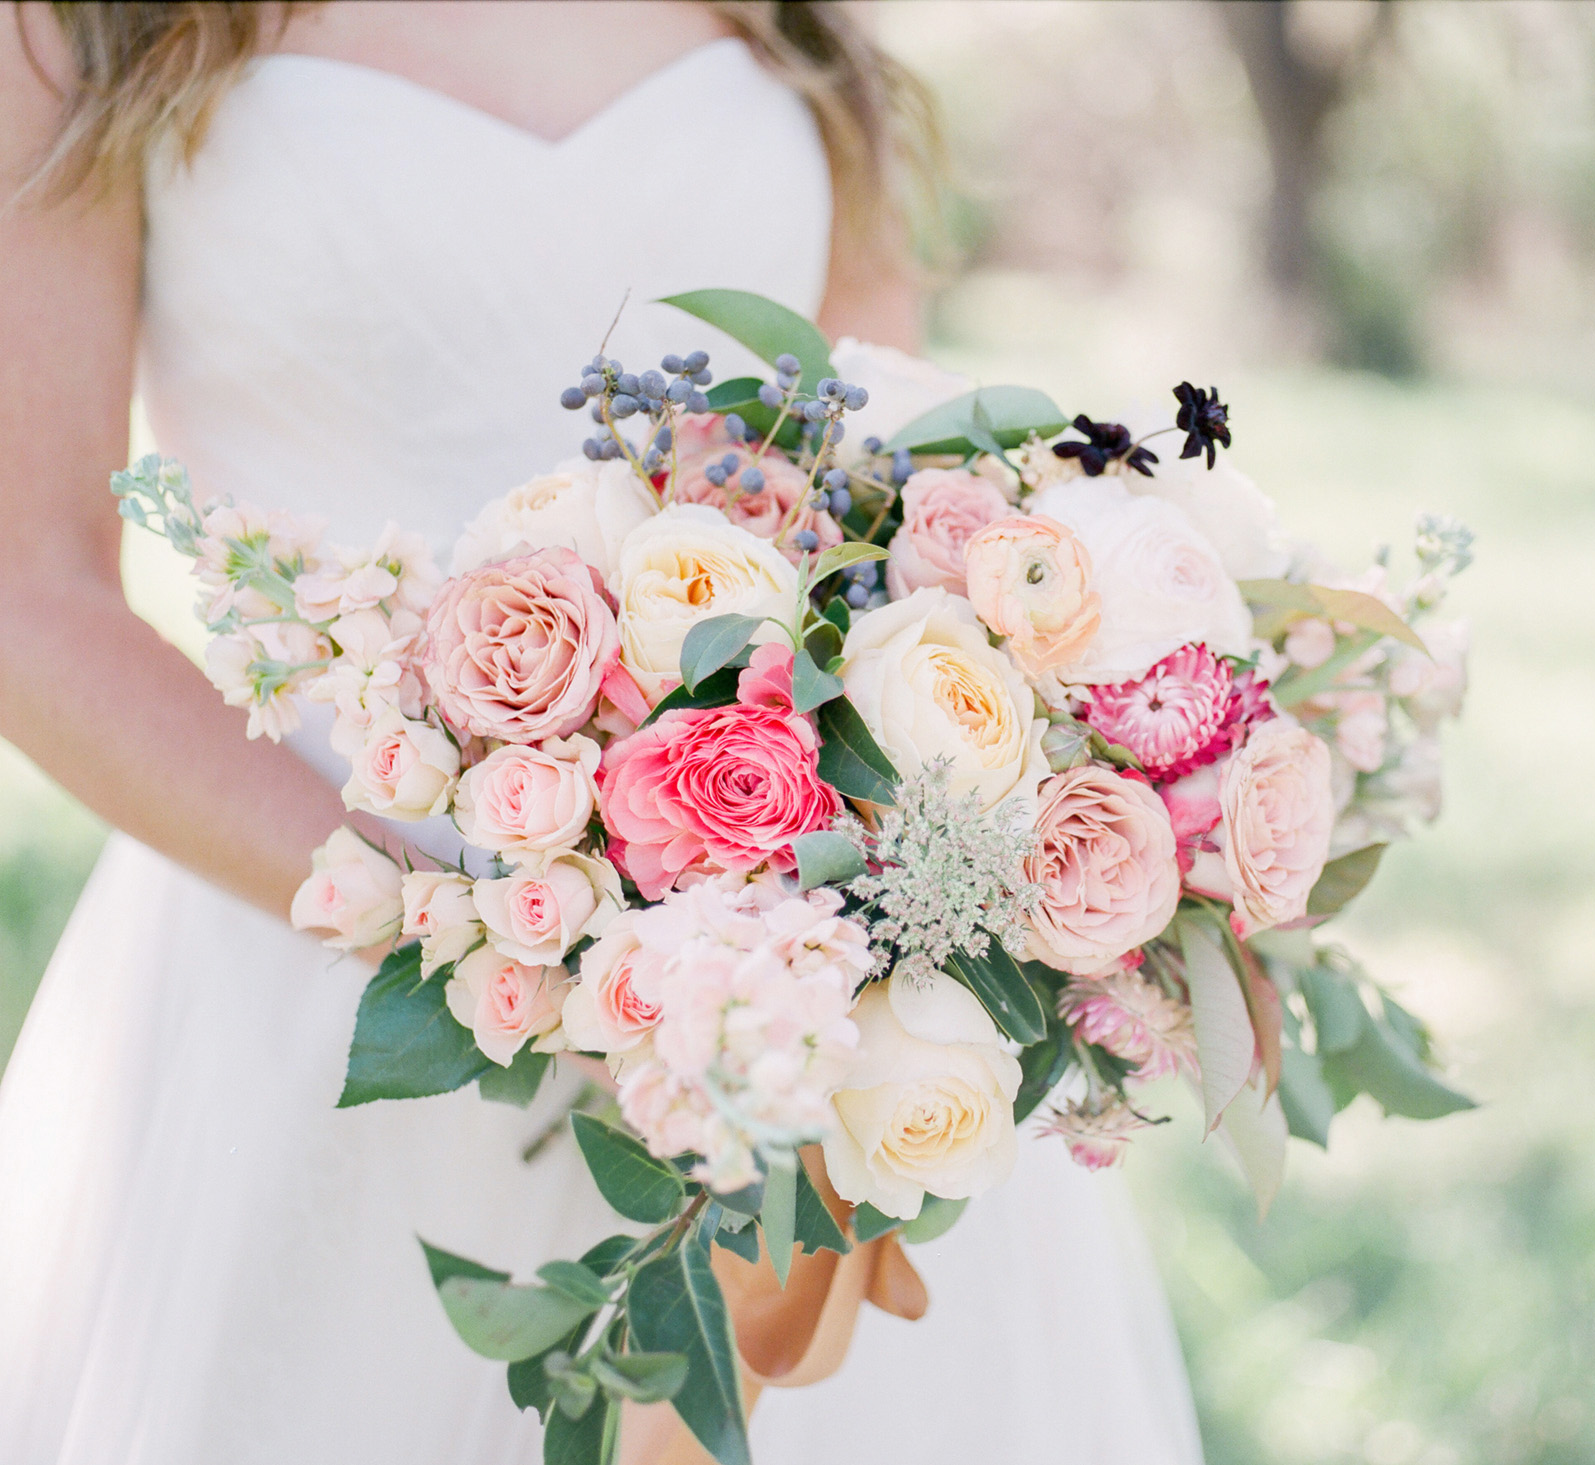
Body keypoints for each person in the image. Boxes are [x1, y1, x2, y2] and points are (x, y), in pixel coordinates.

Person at [0, 4, 1204, 1463]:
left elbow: (888, 477)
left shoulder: (805, 28)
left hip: (794, 989)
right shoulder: (86, 26)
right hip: (307, 946)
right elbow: (29, 594)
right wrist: (485, 927)